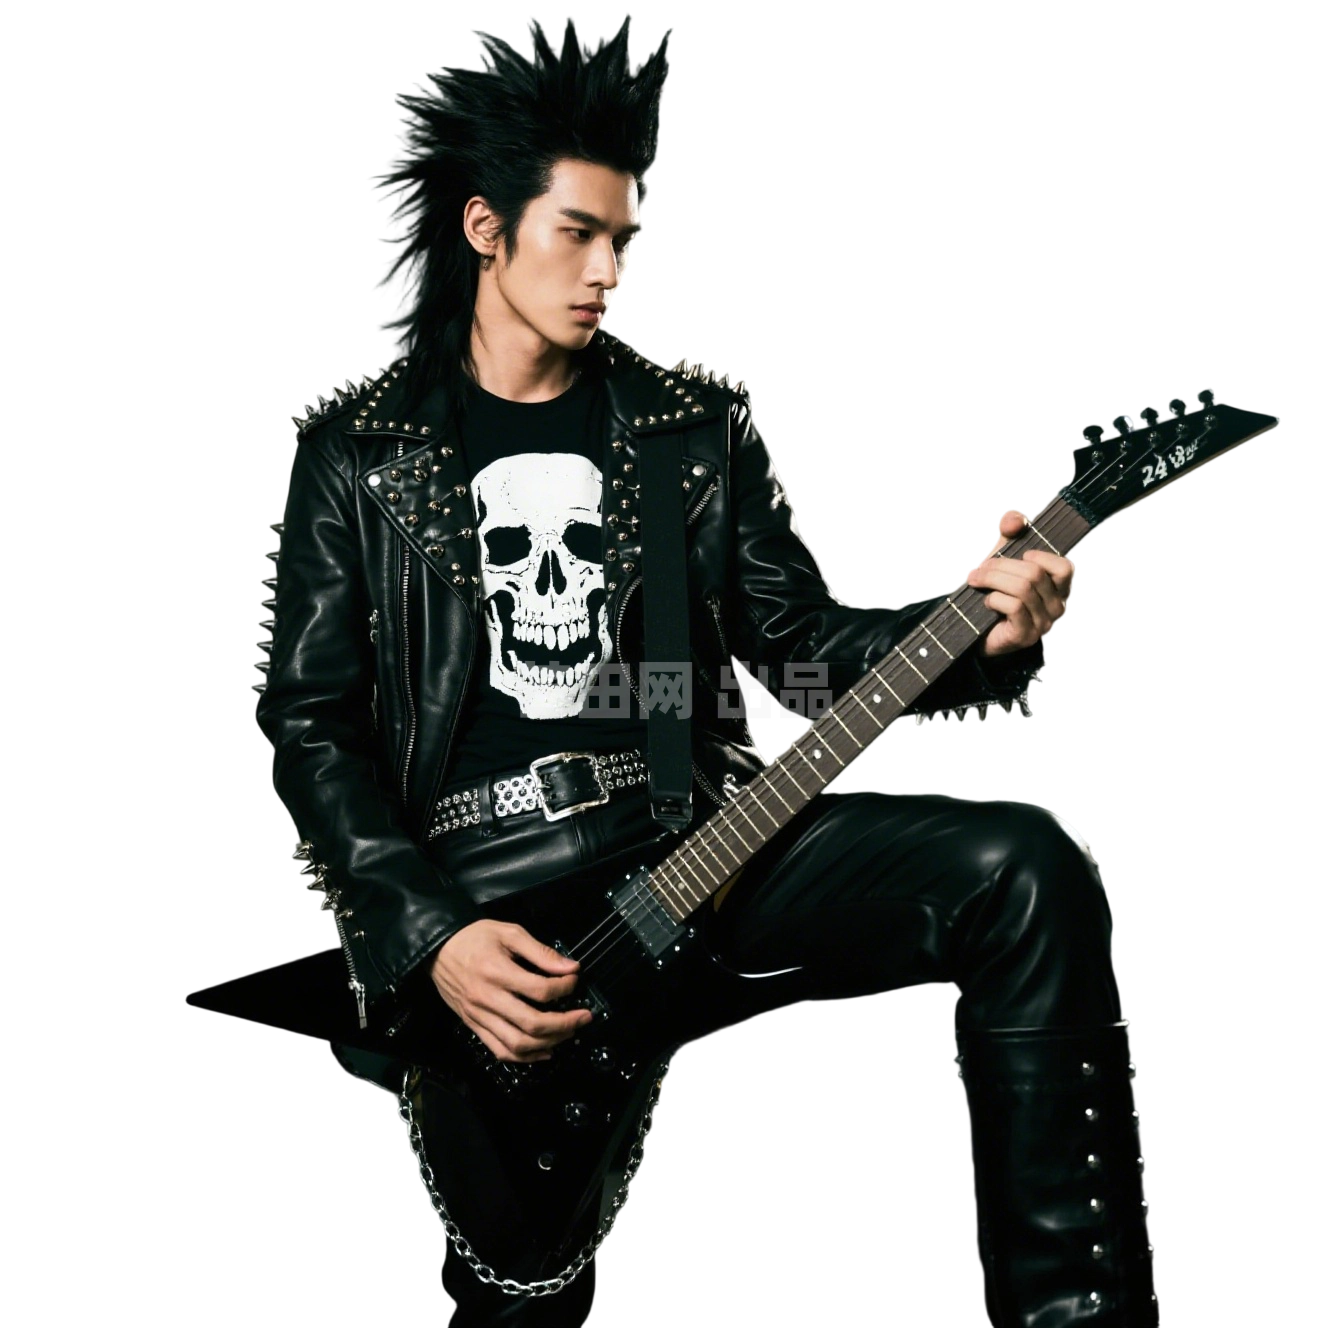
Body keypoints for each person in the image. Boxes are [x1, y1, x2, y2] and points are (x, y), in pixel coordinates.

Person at [254, 18, 1158, 1325]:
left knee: (1032, 866)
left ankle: (1083, 1317)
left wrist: (977, 631)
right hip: (489, 894)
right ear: (485, 229)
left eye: (626, 240)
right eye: (578, 232)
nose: (607, 271)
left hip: (705, 845)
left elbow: (796, 660)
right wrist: (428, 935)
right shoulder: (359, 455)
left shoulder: (690, 427)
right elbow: (311, 724)